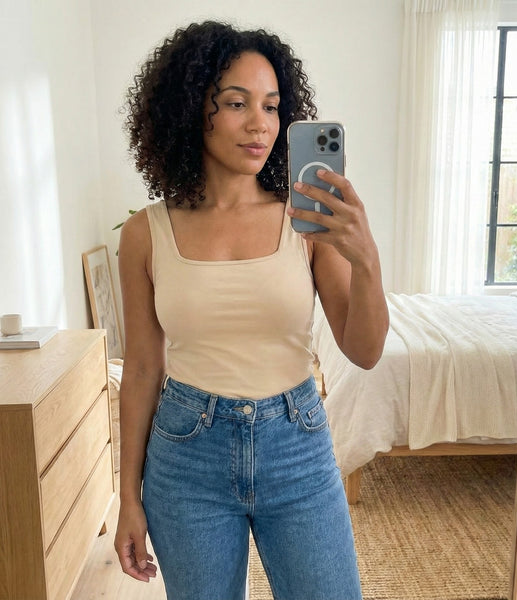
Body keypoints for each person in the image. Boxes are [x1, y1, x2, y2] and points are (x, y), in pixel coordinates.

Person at [114, 20, 389, 600]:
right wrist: (128, 499)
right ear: (192, 109)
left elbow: (364, 351)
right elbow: (140, 370)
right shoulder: (145, 234)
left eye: (271, 105)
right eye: (237, 103)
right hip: (186, 457)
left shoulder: (306, 221)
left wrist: (366, 259)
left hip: (297, 446)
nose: (260, 123)